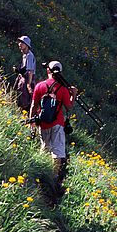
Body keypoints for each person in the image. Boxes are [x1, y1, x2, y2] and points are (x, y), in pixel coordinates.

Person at [30, 61, 77, 194]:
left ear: (48, 71)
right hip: (57, 123)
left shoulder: (40, 86)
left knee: (45, 147)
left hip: (43, 123)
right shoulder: (62, 89)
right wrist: (73, 94)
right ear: (60, 72)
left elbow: (34, 105)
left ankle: (41, 172)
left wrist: (32, 122)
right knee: (57, 152)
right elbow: (68, 107)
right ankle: (54, 178)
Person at [14, 35, 36, 110]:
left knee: (25, 98)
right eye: (19, 42)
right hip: (23, 77)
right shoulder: (25, 55)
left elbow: (30, 71)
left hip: (27, 79)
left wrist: (28, 85)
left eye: (22, 43)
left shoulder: (29, 55)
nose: (20, 44)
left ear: (27, 45)